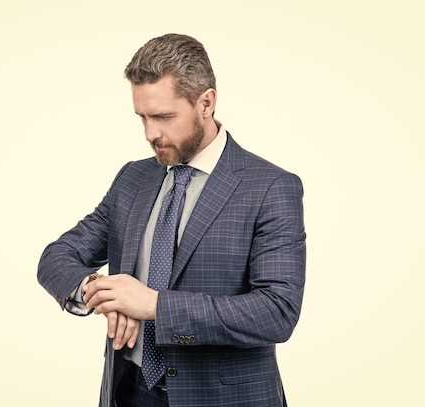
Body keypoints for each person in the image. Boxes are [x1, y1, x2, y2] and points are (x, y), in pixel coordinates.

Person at [38, 33, 306, 407]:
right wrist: (99, 290)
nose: (151, 134)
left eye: (163, 117)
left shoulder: (270, 187)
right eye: (142, 117)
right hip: (130, 393)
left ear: (206, 103)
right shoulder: (133, 178)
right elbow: (57, 256)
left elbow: (277, 311)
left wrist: (155, 306)